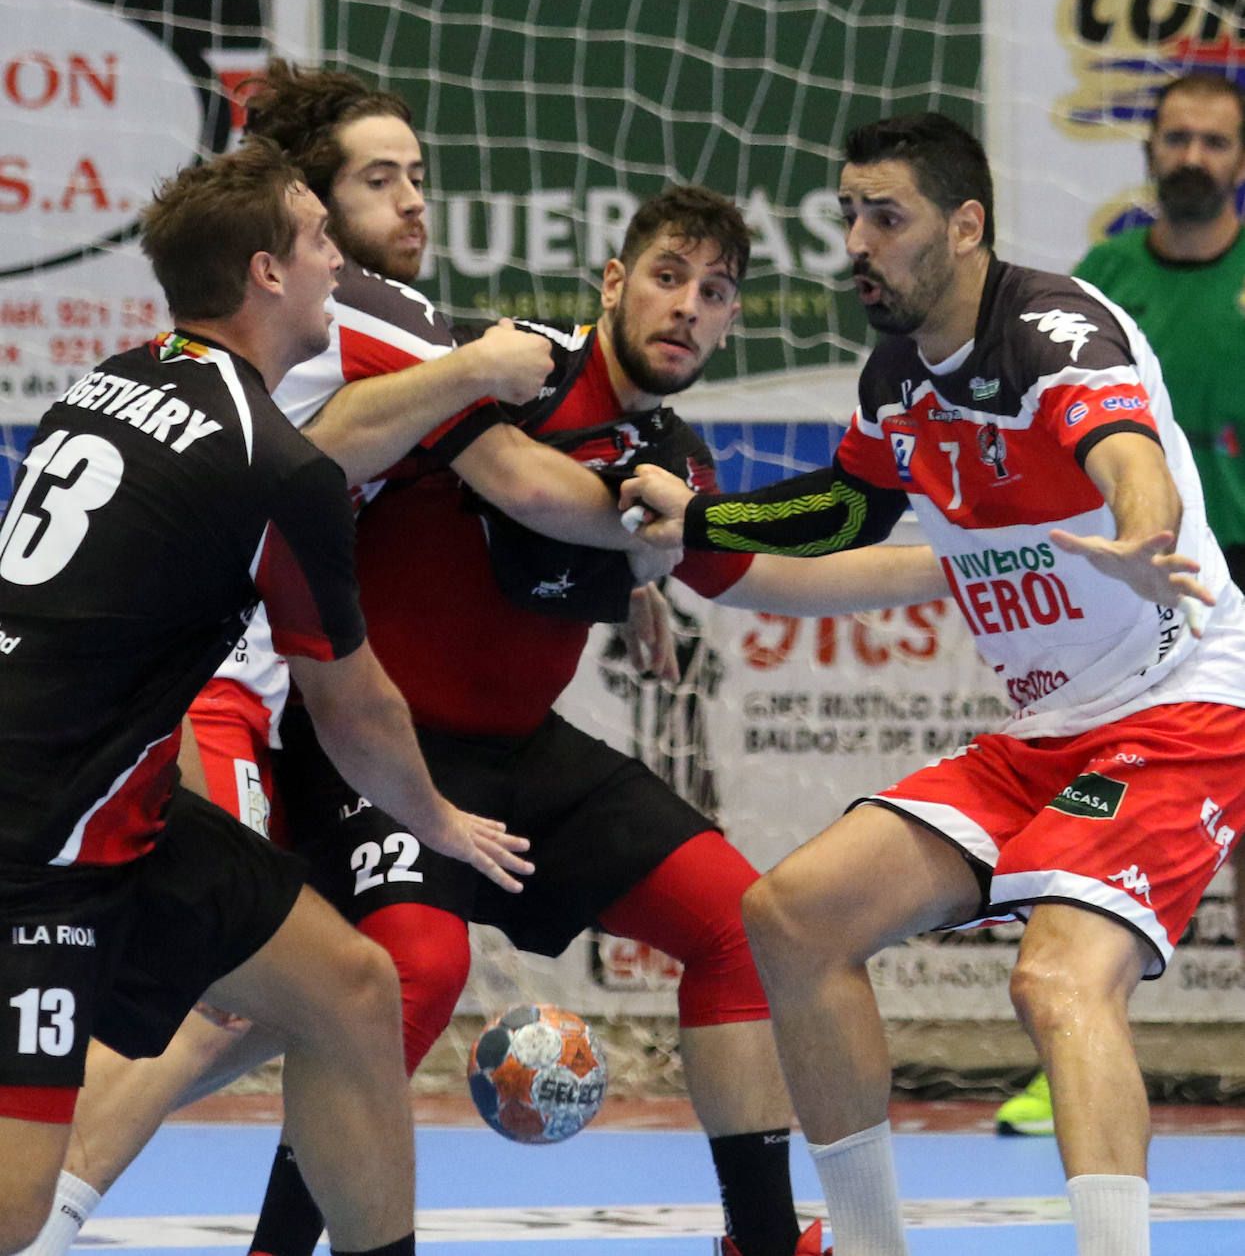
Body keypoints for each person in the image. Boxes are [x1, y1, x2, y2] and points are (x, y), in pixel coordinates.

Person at [19, 66, 946, 1256]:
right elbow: (466, 487)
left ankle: (766, 1242)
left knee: (734, 924)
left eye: (716, 293)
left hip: (486, 750)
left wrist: (964, 561)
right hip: (296, 715)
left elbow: (746, 570)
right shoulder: (459, 352)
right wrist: (633, 518)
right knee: (345, 978)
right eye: (667, 277)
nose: (689, 309)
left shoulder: (664, 444)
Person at [621, 111, 1245, 1256]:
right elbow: (848, 506)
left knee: (1057, 977)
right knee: (792, 915)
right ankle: (867, 1246)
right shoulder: (900, 372)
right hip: (1044, 730)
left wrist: (1146, 537)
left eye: (886, 215)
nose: (858, 239)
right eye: (849, 212)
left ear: (966, 226)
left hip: (1180, 706)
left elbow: (1131, 461)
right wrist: (701, 521)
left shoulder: (1057, 331)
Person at [0, 139, 534, 1256]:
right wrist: (438, 822)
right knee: (10, 1207)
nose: (340, 259)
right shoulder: (276, 467)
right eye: (319, 238)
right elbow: (354, 709)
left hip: (121, 811)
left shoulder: (109, 380)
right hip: (37, 845)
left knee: (350, 990)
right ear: (264, 273)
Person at [995, 70, 1245, 1139]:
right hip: (1138, 611)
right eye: (1176, 137)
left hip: (1240, 589)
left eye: (1214, 141)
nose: (1192, 155)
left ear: (1240, 159)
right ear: (1148, 151)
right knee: (1103, 848)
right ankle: (1075, 1054)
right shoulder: (1094, 282)